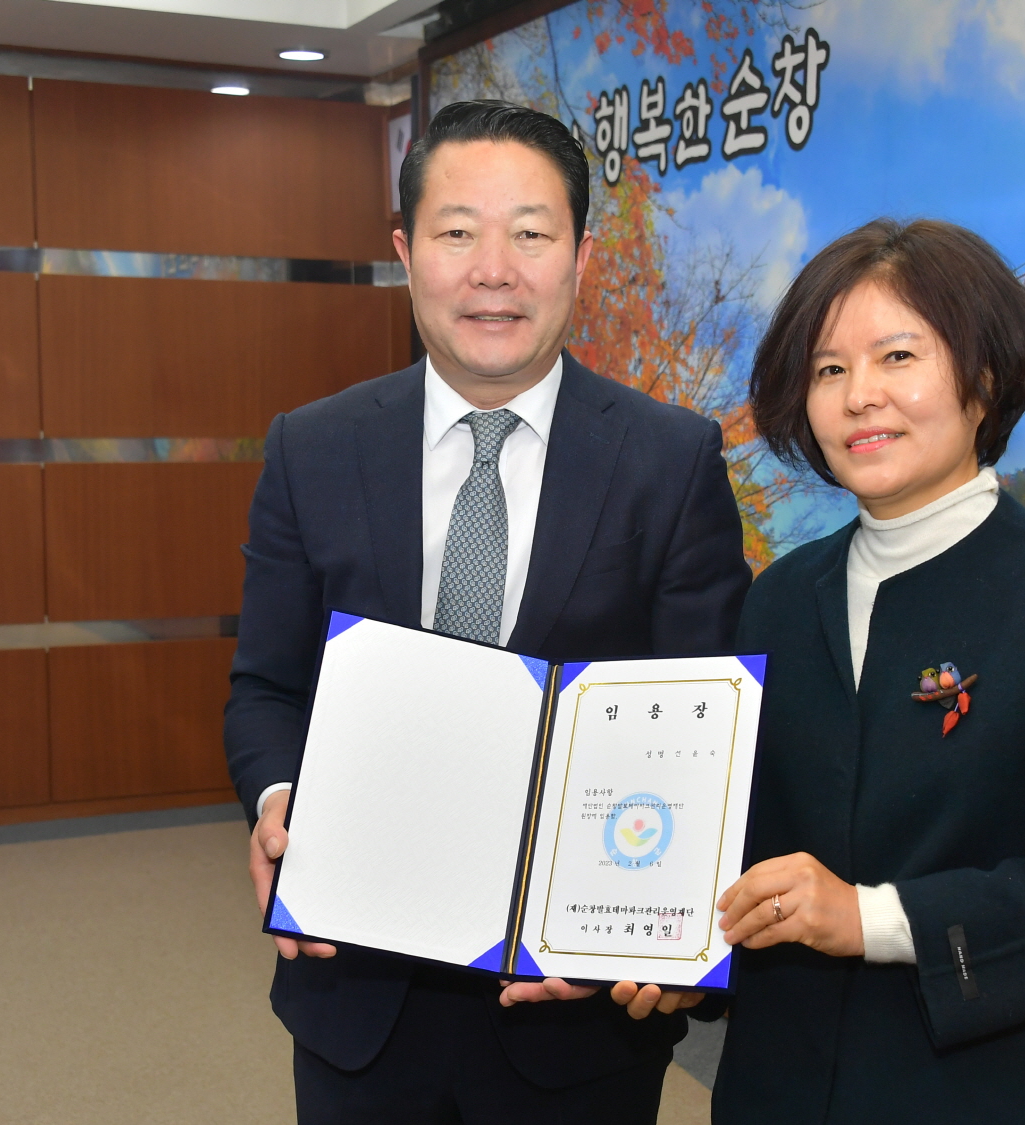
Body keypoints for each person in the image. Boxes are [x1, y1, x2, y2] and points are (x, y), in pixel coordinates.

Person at [225, 99, 752, 1123]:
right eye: (458, 232)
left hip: (573, 1019)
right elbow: (266, 687)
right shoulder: (310, 448)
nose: (494, 271)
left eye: (531, 235)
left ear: (582, 258)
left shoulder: (671, 460)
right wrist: (279, 797)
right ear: (405, 253)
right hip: (357, 994)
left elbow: (705, 735)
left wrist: (646, 929)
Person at [696, 218, 1025, 1122]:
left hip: (989, 1089)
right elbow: (738, 840)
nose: (860, 396)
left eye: (897, 356)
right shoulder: (780, 599)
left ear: (984, 379)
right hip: (784, 1082)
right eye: (828, 369)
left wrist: (875, 918)